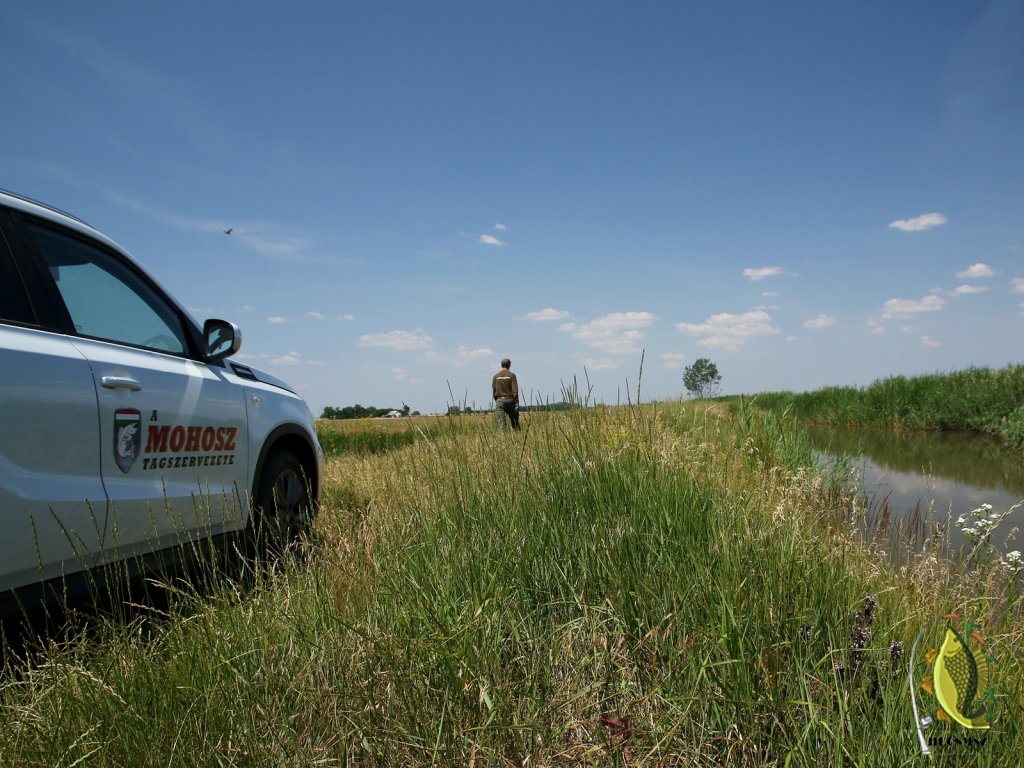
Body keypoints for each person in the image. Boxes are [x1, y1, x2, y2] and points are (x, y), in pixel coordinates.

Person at [492, 357, 520, 431]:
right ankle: (518, 435)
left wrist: (497, 400)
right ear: (509, 365)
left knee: (502, 423)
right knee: (514, 421)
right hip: (510, 401)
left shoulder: (496, 376)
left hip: (500, 401)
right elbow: (515, 391)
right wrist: (516, 403)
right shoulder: (512, 375)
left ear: (501, 365)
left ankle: (502, 437)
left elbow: (494, 390)